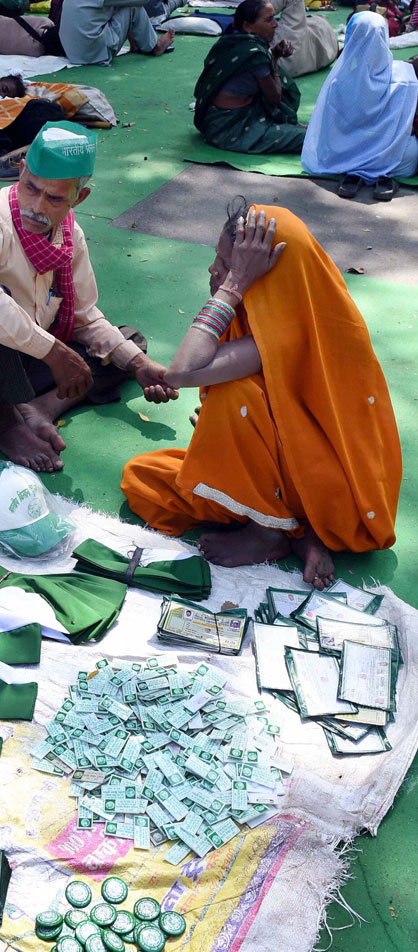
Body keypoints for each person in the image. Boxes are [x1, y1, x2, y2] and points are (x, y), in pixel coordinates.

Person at [121, 204, 401, 588]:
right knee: (144, 478)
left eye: (227, 263)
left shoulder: (291, 330)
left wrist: (232, 284)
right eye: (218, 258)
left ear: (268, 275)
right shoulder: (272, 321)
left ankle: (268, 532)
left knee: (231, 394)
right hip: (291, 481)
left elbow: (183, 371)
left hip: (328, 492)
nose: (212, 270)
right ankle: (300, 534)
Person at [0, 122, 177, 473]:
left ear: (80, 198)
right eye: (31, 188)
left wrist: (138, 365)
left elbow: (84, 317)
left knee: (128, 343)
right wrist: (55, 353)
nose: (36, 206)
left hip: (13, 368)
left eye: (55, 198)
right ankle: (4, 422)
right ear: (20, 173)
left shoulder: (68, 236)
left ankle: (40, 408)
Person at [302, 11, 418, 201]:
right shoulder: (405, 77)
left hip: (344, 155)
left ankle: (354, 171)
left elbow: (328, 130)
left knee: (335, 145)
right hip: (398, 160)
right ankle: (383, 173)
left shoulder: (338, 82)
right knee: (411, 150)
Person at [193, 0, 305, 154]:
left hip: (211, 119)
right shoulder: (255, 55)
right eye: (268, 20)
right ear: (247, 26)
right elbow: (275, 97)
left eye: (275, 17)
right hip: (230, 127)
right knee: (307, 138)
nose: (275, 24)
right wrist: (275, 60)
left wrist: (273, 53)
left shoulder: (231, 41)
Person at [58, 0, 175, 67]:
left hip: (71, 52)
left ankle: (137, 43)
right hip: (93, 54)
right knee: (133, 6)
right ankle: (155, 46)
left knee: (123, 5)